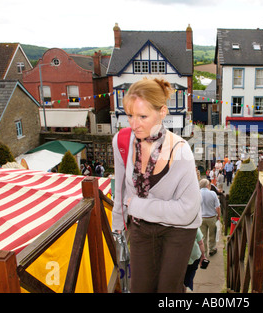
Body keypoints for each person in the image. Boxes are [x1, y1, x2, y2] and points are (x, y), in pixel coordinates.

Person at [112, 78, 201, 293]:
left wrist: (137, 206)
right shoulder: (121, 141)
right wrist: (117, 226)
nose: (134, 124)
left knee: (167, 289)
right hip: (141, 227)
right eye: (130, 115)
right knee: (140, 288)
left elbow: (188, 211)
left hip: (178, 229)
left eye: (142, 116)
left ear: (162, 112)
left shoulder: (180, 151)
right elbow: (121, 187)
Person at [199, 179, 221, 256]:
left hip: (201, 218)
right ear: (207, 185)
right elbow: (217, 207)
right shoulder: (212, 193)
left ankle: (204, 252)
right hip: (211, 217)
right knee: (212, 234)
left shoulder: (198, 193)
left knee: (203, 236)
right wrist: (219, 215)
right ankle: (212, 249)